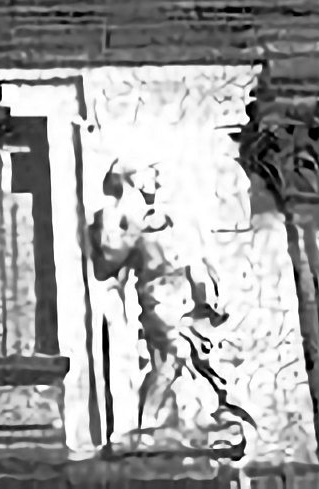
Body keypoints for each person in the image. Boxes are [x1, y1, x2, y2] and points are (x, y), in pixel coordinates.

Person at [88, 161, 255, 451]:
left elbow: (193, 259)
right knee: (171, 357)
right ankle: (147, 423)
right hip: (159, 299)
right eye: (148, 172)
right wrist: (133, 231)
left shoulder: (171, 217)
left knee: (193, 358)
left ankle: (190, 417)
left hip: (186, 298)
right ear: (130, 179)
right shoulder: (119, 216)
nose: (156, 177)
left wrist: (206, 297)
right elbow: (106, 264)